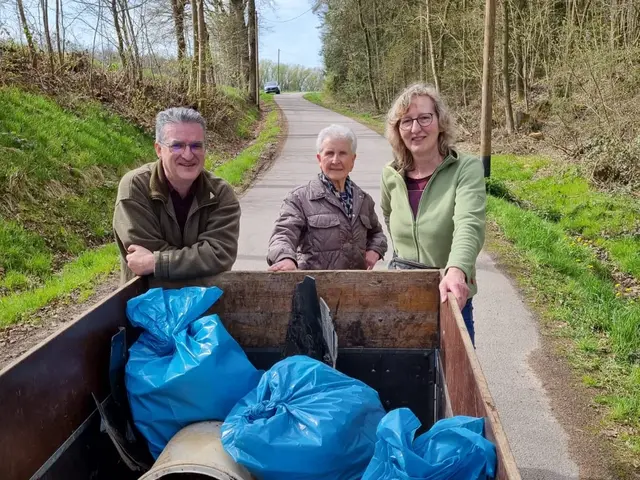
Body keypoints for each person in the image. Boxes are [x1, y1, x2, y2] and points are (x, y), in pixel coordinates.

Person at [381, 83, 486, 345]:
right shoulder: (390, 174)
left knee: (457, 382)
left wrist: (457, 270)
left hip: (449, 295)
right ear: (398, 131)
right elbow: (387, 217)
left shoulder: (467, 168)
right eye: (406, 121)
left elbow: (469, 224)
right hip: (404, 297)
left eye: (425, 118)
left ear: (440, 122)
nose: (416, 129)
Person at [112, 107, 241, 285]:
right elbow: (141, 257)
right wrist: (199, 260)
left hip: (206, 303)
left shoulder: (220, 194)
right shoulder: (135, 187)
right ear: (158, 149)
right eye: (177, 145)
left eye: (196, 145)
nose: (188, 155)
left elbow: (220, 255)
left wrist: (157, 262)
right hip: (149, 304)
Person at [267, 124, 387, 271]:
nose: (335, 160)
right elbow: (282, 235)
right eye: (329, 153)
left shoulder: (363, 200)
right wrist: (285, 258)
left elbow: (377, 234)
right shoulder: (300, 198)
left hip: (356, 288)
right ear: (319, 159)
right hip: (315, 289)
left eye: (343, 153)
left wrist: (375, 250)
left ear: (353, 160)